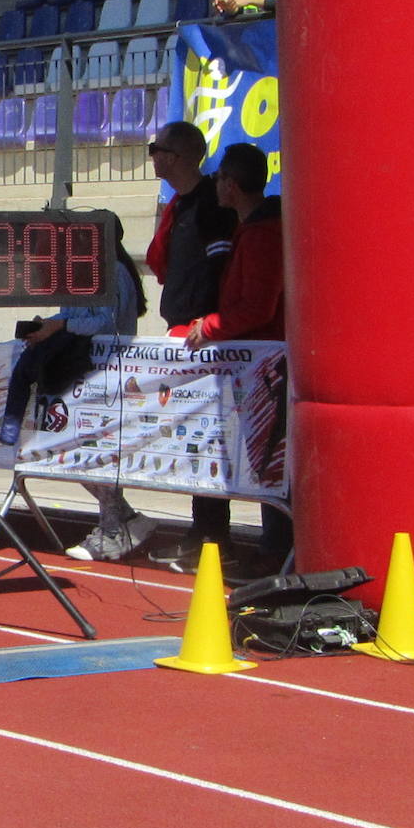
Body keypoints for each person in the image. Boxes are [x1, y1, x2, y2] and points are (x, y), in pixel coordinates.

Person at [0, 213, 156, 561]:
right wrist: (49, 326)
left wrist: (63, 324)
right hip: (81, 371)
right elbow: (72, 317)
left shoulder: (113, 272)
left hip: (108, 370)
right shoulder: (80, 273)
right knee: (74, 449)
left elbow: (105, 321)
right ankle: (125, 518)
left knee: (97, 451)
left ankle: (114, 527)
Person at [184, 142, 290, 574]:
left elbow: (258, 307)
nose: (215, 186)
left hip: (267, 364)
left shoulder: (264, 233)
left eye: (220, 179)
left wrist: (209, 327)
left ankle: (276, 548)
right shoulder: (252, 227)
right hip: (257, 360)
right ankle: (274, 546)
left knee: (271, 456)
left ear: (231, 184)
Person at [143, 121, 239, 572]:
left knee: (209, 438)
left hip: (204, 340)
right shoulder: (179, 205)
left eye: (155, 149)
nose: (152, 157)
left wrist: (208, 322)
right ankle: (203, 531)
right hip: (182, 331)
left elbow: (221, 270)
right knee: (193, 442)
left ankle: (214, 536)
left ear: (175, 156)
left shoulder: (210, 207)